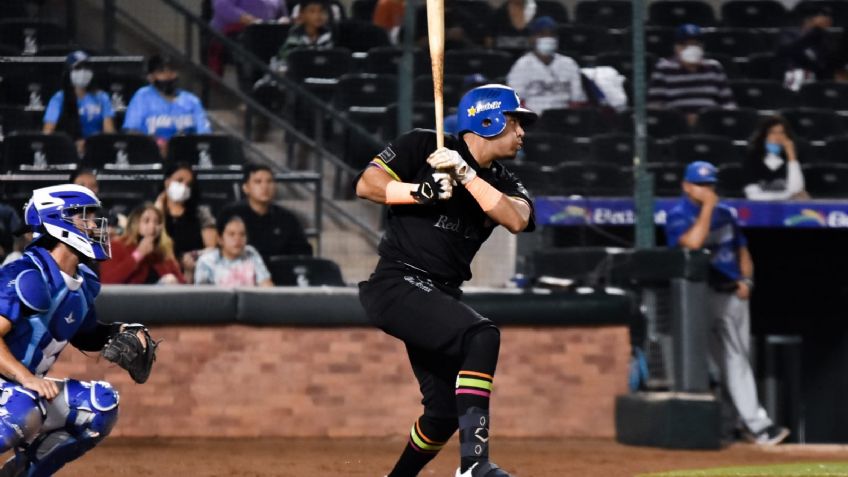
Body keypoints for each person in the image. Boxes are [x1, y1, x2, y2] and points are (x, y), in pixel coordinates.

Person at [355, 84, 537, 477]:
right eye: (515, 122)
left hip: (439, 293)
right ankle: (474, 465)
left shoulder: (503, 181)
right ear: (487, 120)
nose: (522, 132)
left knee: (441, 414)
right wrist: (419, 192)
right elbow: (366, 184)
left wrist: (467, 175)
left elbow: (517, 218)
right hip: (397, 283)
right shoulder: (422, 146)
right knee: (481, 335)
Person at [0, 184, 153, 474]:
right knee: (23, 409)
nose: (94, 226)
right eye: (85, 217)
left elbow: (84, 333)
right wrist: (26, 378)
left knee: (100, 406)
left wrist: (119, 332)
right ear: (57, 220)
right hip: (17, 388)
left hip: (24, 391)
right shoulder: (23, 273)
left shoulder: (81, 283)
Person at [664, 161, 790, 446]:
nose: (707, 190)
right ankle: (744, 425)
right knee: (717, 366)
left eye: (710, 185)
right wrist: (708, 208)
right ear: (686, 186)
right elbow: (693, 243)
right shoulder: (677, 215)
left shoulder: (728, 214)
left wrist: (747, 282)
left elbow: (741, 251)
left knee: (737, 361)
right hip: (698, 298)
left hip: (732, 295)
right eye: (700, 184)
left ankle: (751, 425)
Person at [218, 163, 312, 264]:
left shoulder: (287, 218)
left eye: (270, 182)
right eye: (258, 182)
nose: (265, 187)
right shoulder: (230, 214)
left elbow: (303, 253)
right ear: (245, 188)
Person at [648, 24, 736, 126]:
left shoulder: (714, 67)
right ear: (676, 47)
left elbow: (728, 104)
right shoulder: (664, 68)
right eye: (684, 45)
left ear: (702, 47)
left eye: (695, 45)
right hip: (675, 127)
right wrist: (682, 120)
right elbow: (654, 105)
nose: (690, 49)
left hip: (710, 125)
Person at [123, 54, 211, 156]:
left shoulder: (192, 100)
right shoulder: (142, 96)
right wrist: (158, 143)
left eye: (172, 71)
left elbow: (204, 134)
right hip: (150, 154)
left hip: (186, 155)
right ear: (151, 77)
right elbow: (132, 131)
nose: (168, 75)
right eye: (162, 72)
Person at [506, 16, 587, 115]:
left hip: (564, 120)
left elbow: (578, 101)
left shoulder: (569, 64)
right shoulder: (522, 66)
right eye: (542, 34)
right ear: (532, 38)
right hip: (532, 122)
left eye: (551, 34)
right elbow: (514, 103)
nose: (548, 38)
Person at [43, 50, 115, 154]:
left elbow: (109, 132)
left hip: (96, 150)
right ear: (68, 72)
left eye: (87, 68)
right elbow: (48, 133)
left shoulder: (102, 97)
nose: (83, 72)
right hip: (67, 151)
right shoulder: (58, 98)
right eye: (78, 68)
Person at [153, 162, 217, 277]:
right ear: (167, 182)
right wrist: (158, 210)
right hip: (162, 274)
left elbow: (212, 249)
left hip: (195, 272)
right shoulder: (153, 212)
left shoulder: (201, 214)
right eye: (179, 180)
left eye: (188, 184)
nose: (183, 186)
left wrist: (192, 256)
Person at [100, 203, 185, 284]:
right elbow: (107, 281)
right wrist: (138, 254)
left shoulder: (162, 252)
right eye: (146, 221)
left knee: (170, 280)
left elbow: (181, 284)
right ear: (135, 223)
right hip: (129, 296)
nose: (152, 226)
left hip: (159, 296)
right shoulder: (116, 246)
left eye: (157, 222)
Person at [208, 0, 290, 75]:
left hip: (268, 34)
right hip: (237, 36)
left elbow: (283, 14)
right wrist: (250, 20)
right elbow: (222, 7)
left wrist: (283, 20)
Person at [194, 214, 273, 286]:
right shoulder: (206, 261)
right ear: (220, 239)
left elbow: (267, 287)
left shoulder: (251, 253)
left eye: (242, 234)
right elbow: (203, 297)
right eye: (231, 234)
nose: (237, 239)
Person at [744, 116, 808, 201]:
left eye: (781, 133)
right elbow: (752, 195)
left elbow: (796, 190)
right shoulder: (752, 159)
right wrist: (787, 196)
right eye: (772, 132)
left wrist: (791, 156)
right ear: (764, 136)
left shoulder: (792, 160)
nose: (777, 137)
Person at [777, 5, 840, 90]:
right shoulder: (789, 34)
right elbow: (791, 51)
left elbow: (826, 61)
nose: (826, 20)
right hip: (793, 73)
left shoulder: (824, 36)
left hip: (818, 78)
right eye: (822, 17)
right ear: (808, 19)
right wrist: (816, 31)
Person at [275, 0, 335, 64]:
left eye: (321, 11)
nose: (318, 15)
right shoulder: (294, 37)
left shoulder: (328, 35)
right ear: (302, 14)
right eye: (312, 11)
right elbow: (284, 61)